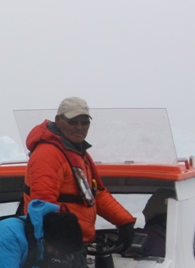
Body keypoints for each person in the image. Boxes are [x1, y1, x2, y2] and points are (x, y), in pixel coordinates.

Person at [23, 96, 137, 247]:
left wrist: (124, 222)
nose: (79, 127)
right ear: (58, 121)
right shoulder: (48, 154)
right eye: (73, 121)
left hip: (77, 242)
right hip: (57, 245)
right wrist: (60, 249)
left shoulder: (79, 154)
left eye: (85, 122)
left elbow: (96, 194)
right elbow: (43, 205)